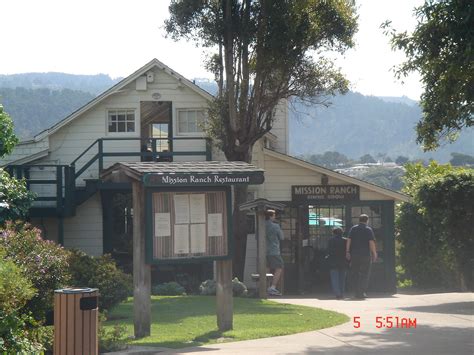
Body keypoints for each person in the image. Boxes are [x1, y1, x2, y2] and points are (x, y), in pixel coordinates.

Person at [346, 214, 377, 299]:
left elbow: (349, 240)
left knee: (355, 273)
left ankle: (356, 292)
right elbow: (371, 242)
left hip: (355, 254)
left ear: (359, 220)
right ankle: (362, 292)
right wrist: (374, 253)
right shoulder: (368, 229)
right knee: (365, 274)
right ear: (367, 220)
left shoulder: (353, 229)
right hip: (365, 254)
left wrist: (347, 251)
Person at [265, 209, 284, 296]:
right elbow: (282, 237)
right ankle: (273, 287)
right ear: (271, 216)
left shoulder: (261, 225)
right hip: (274, 250)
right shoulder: (275, 226)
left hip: (264, 251)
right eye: (274, 215)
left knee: (267, 268)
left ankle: (266, 286)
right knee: (279, 267)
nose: (275, 217)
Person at [327, 227, 348, 299]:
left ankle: (337, 293)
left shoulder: (331, 240)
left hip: (333, 261)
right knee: (342, 279)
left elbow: (329, 251)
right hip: (343, 261)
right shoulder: (345, 240)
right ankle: (342, 293)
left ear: (334, 233)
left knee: (335, 278)